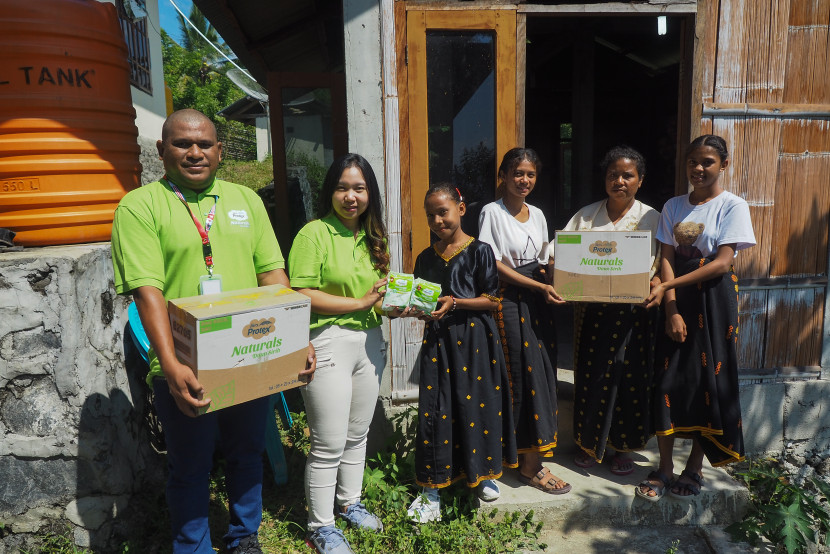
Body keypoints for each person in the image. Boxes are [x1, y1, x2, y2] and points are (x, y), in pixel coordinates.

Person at [111, 108, 315, 554]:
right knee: (190, 466)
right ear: (162, 150)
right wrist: (169, 365)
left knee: (246, 455)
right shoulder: (140, 206)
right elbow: (148, 294)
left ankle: (244, 537)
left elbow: (272, 276)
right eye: (183, 144)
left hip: (250, 355)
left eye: (205, 143)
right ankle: (193, 547)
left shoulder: (246, 200)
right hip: (184, 365)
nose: (195, 152)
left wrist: (298, 339)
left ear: (220, 151)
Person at [638, 135, 756, 501]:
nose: (699, 169)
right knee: (666, 381)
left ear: (724, 164)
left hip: (714, 300)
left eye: (707, 162)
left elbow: (722, 261)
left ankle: (694, 468)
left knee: (710, 381)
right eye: (693, 162)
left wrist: (668, 287)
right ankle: (665, 467)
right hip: (677, 298)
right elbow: (667, 257)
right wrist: (671, 306)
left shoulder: (733, 206)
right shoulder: (673, 206)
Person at [288, 153, 390, 554]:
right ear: (330, 190)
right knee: (328, 442)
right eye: (343, 187)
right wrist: (360, 303)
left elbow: (377, 298)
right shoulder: (313, 234)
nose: (351, 197)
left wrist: (397, 305)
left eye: (359, 188)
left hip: (369, 343)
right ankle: (321, 525)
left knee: (357, 434)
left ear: (370, 194)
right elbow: (300, 294)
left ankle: (349, 503)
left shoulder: (375, 237)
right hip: (327, 341)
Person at [406, 184, 518, 523]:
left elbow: (493, 299)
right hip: (439, 341)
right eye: (431, 215)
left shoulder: (481, 251)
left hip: (475, 342)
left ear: (461, 209)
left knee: (477, 404)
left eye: (443, 211)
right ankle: (432, 489)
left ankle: (482, 474)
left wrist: (455, 302)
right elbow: (422, 300)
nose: (438, 220)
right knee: (436, 409)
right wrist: (413, 309)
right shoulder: (425, 258)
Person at [562, 146, 661, 475]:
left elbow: (663, 263)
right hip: (591, 313)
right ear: (604, 179)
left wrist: (657, 285)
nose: (619, 181)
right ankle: (588, 444)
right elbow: (560, 256)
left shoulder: (651, 218)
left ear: (640, 180)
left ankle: (622, 448)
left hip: (633, 313)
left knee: (628, 379)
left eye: (627, 175)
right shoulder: (586, 217)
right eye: (612, 175)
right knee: (592, 377)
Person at [478, 148, 571, 495]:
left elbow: (544, 257)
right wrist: (538, 284)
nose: (524, 180)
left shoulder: (538, 214)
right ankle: (528, 465)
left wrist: (561, 274)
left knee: (544, 373)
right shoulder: (492, 212)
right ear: (503, 175)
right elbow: (493, 263)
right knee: (521, 375)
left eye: (530, 174)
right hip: (510, 303)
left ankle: (531, 456)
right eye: (518, 173)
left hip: (538, 301)